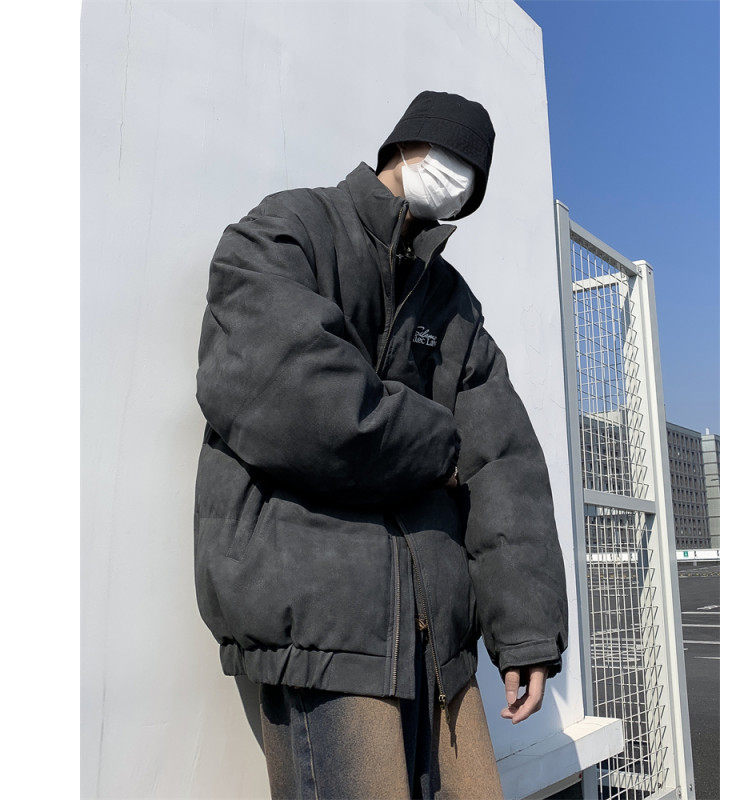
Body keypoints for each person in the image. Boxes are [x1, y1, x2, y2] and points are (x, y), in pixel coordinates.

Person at [193, 90, 569, 799]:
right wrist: (440, 447)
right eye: (450, 156)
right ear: (403, 144)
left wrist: (525, 630)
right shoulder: (289, 229)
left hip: (441, 645)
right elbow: (292, 393)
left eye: (473, 175)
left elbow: (504, 461)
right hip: (324, 626)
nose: (458, 178)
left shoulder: (453, 304)